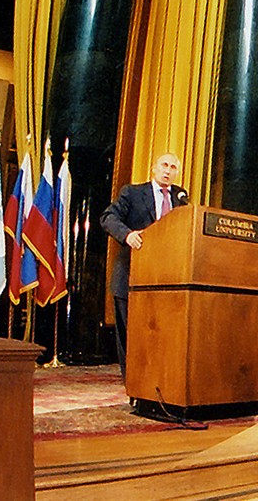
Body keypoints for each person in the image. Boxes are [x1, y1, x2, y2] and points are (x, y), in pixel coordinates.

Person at [100, 153, 188, 378]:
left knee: (159, 335)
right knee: (132, 337)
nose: (168, 171)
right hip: (132, 276)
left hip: (166, 280)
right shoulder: (133, 192)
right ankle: (134, 383)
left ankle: (158, 380)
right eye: (164, 165)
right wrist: (127, 235)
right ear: (154, 167)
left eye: (173, 167)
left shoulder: (180, 198)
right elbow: (108, 217)